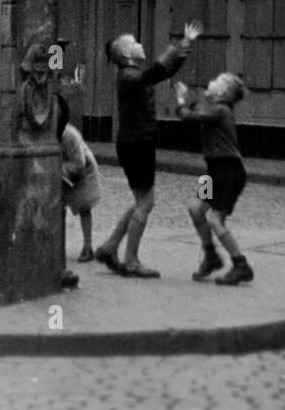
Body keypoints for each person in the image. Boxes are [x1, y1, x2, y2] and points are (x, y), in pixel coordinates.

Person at [94, 20, 203, 278]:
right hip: (137, 143)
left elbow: (161, 72)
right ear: (126, 54)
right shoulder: (131, 76)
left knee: (141, 201)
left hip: (134, 141)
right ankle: (130, 260)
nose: (140, 44)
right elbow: (156, 71)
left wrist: (181, 49)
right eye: (134, 43)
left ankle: (111, 247)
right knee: (146, 202)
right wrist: (182, 44)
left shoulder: (130, 75)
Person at [174, 72, 253, 285]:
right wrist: (191, 102)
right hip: (214, 171)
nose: (211, 81)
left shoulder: (220, 110)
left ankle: (240, 264)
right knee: (195, 208)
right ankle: (211, 256)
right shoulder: (214, 107)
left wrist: (181, 99)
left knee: (216, 221)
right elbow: (197, 111)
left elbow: (190, 117)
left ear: (223, 93)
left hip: (228, 171)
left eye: (216, 81)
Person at [56, 100, 101, 262]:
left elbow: (80, 163)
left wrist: (58, 168)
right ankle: (57, 246)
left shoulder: (70, 135)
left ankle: (88, 247)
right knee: (57, 207)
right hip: (61, 172)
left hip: (83, 171)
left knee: (84, 207)